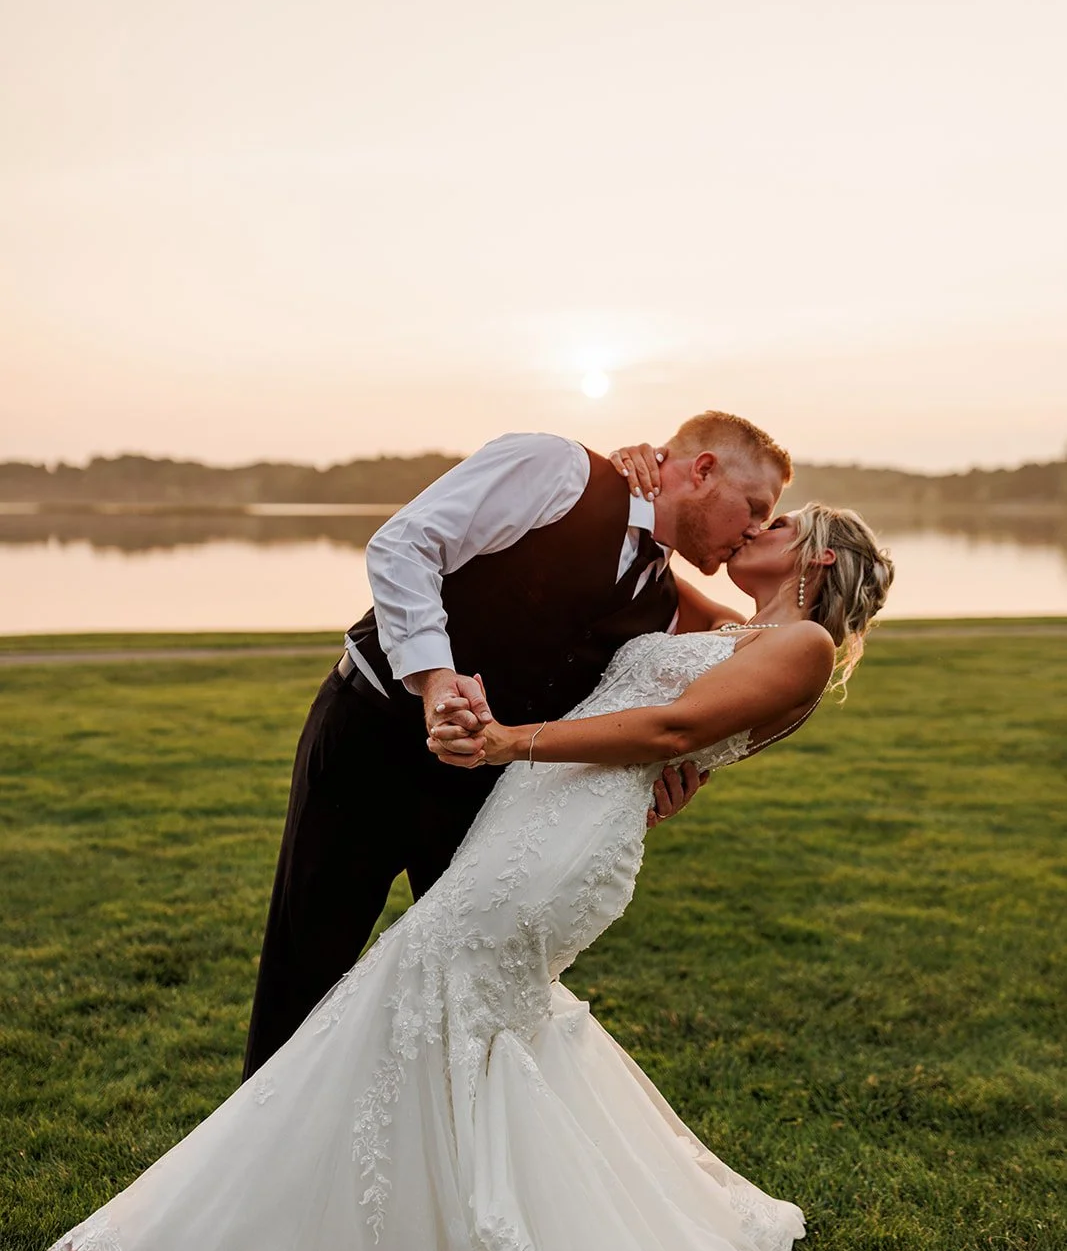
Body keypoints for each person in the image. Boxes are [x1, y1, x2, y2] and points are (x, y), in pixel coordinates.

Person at [50, 495, 894, 1251]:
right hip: (527, 818)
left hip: (562, 841)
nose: (752, 532)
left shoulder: (805, 650)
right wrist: (625, 483)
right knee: (427, 1005)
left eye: (777, 527)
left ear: (818, 564)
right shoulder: (734, 627)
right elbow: (654, 566)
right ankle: (325, 1245)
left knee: (424, 996)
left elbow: (665, 733)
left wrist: (507, 741)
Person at [242, 411, 790, 1077]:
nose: (756, 528)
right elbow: (403, 545)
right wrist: (434, 679)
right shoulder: (557, 470)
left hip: (486, 786)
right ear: (702, 470)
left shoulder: (662, 597)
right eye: (754, 507)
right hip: (371, 740)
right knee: (306, 969)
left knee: (461, 983)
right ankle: (267, 1156)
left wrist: (667, 777)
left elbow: (736, 675)